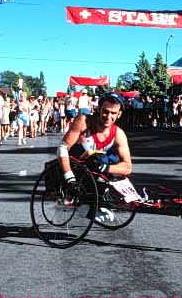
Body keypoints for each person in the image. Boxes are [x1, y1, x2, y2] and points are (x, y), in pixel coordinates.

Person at [57, 92, 132, 221]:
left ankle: (98, 201)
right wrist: (68, 176)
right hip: (76, 167)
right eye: (105, 111)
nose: (108, 117)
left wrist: (105, 168)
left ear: (119, 114)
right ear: (98, 109)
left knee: (110, 159)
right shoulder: (83, 121)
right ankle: (87, 206)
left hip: (97, 170)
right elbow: (62, 148)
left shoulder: (119, 134)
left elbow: (127, 167)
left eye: (113, 113)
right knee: (99, 159)